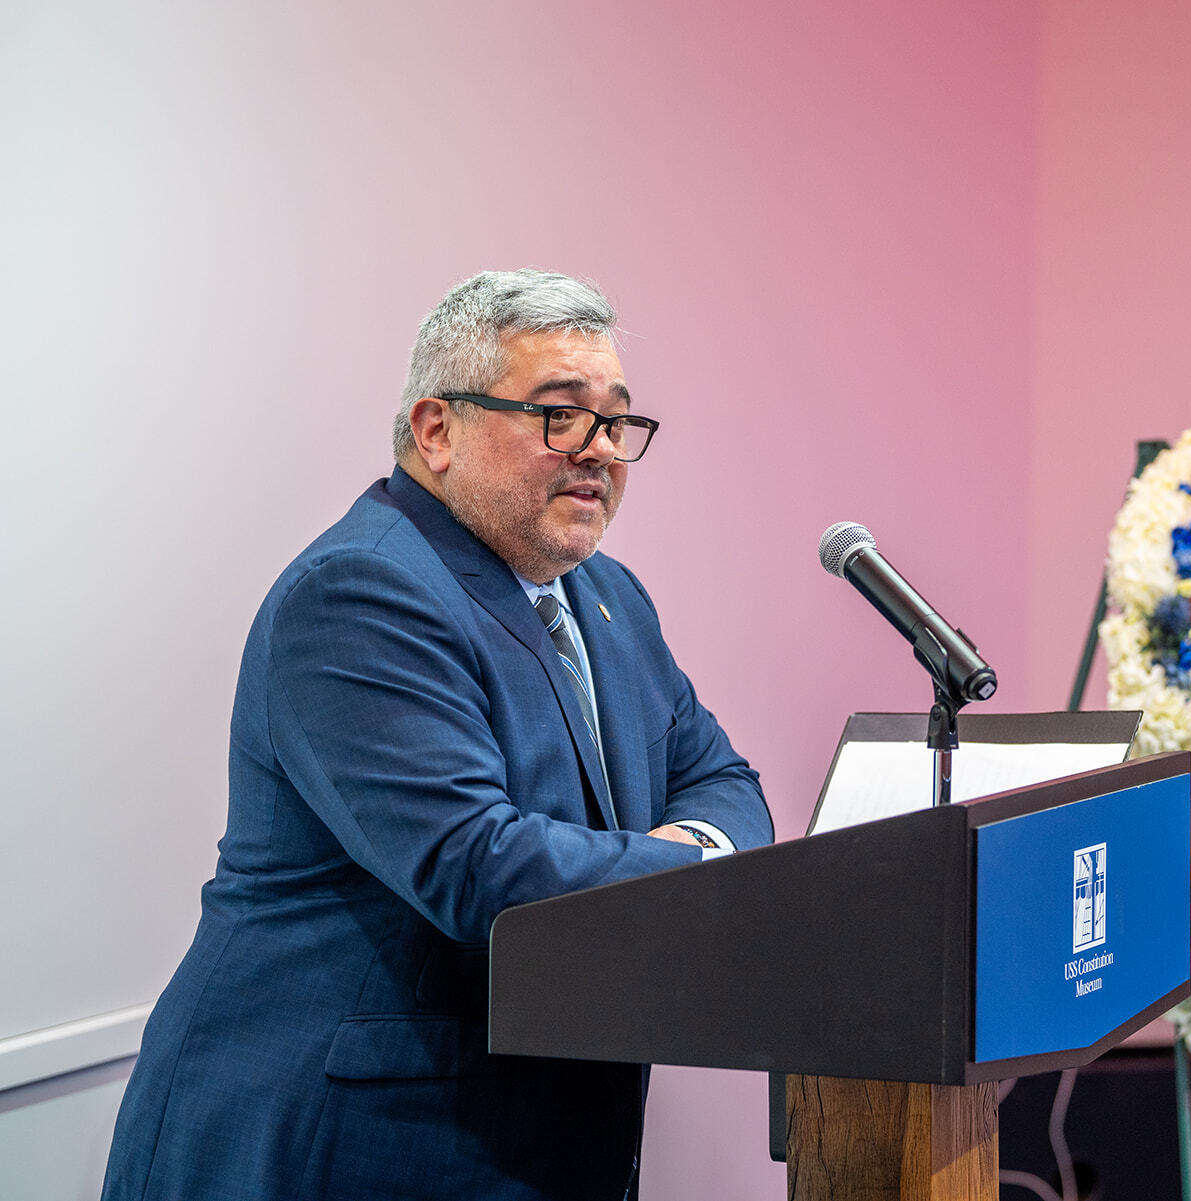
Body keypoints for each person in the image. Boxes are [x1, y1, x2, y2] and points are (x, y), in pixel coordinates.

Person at [100, 269, 773, 1201]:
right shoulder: (360, 590)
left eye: (616, 422)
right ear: (436, 429)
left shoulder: (608, 596)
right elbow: (478, 865)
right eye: (561, 415)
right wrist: (706, 871)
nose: (599, 449)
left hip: (532, 1134)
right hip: (341, 1141)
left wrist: (696, 843)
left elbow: (721, 776)